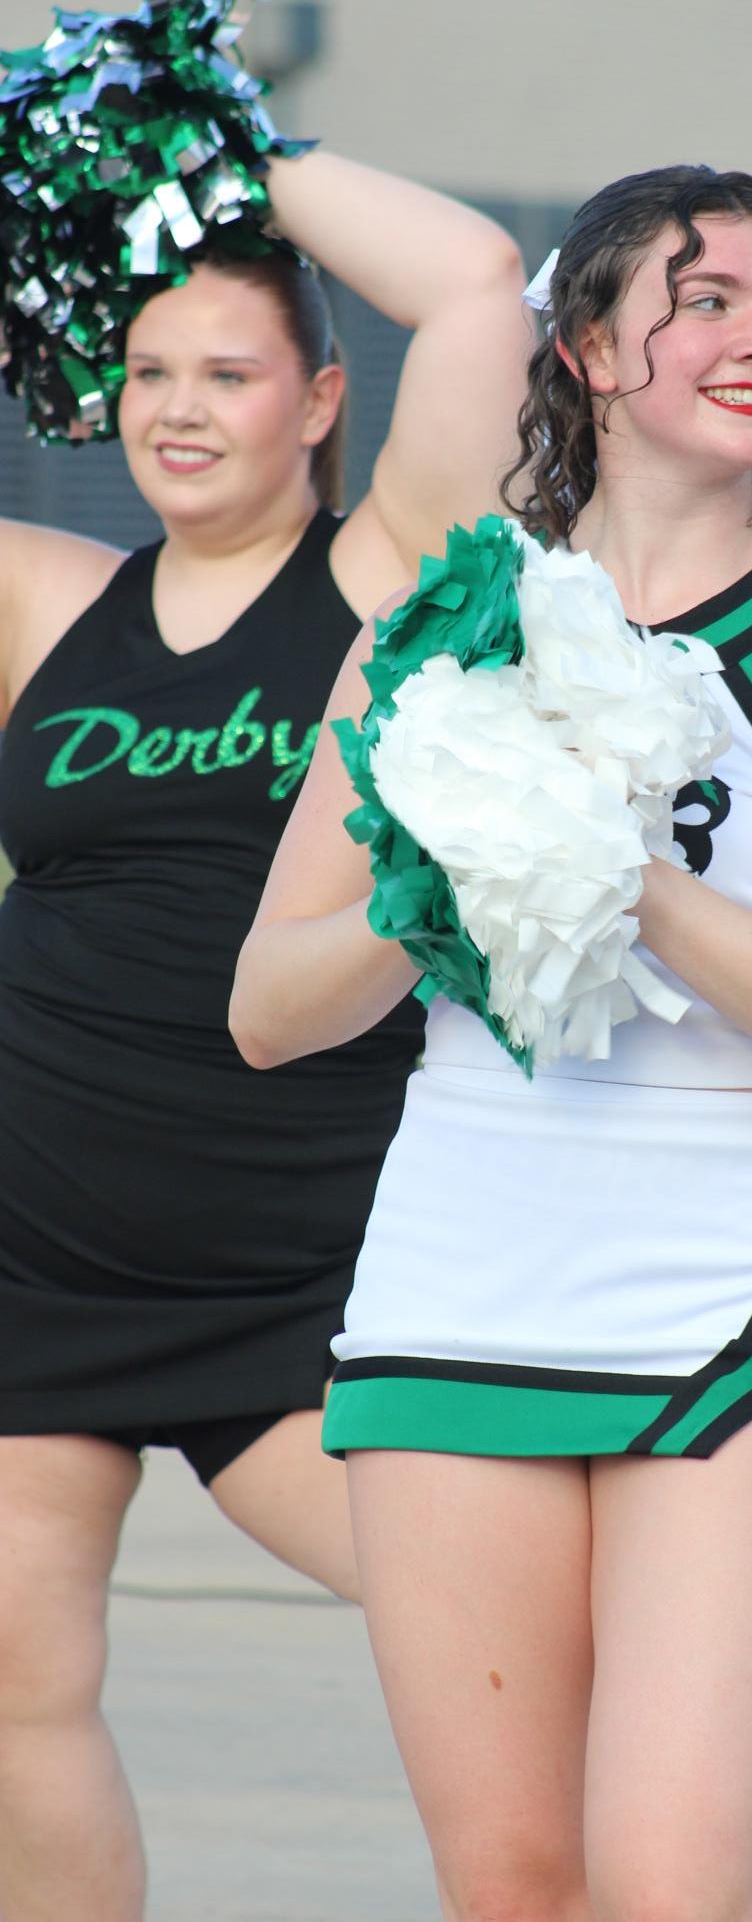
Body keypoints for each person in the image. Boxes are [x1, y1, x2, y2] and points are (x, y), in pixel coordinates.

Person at [231, 165, 752, 1921]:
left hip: (727, 1294)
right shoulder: (437, 632)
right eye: (704, 299)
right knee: (513, 1883)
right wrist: (444, 883)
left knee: (673, 1885)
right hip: (460, 1280)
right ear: (585, 348)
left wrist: (618, 878)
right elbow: (267, 1004)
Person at [0, 144, 530, 1921]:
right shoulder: (46, 601)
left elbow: (473, 287)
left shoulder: (385, 578)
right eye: (150, 372)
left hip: (307, 1280)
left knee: (526, 1646)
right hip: (32, 1255)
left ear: (321, 400)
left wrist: (211, 134)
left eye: (227, 372)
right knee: (14, 1699)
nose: (179, 408)